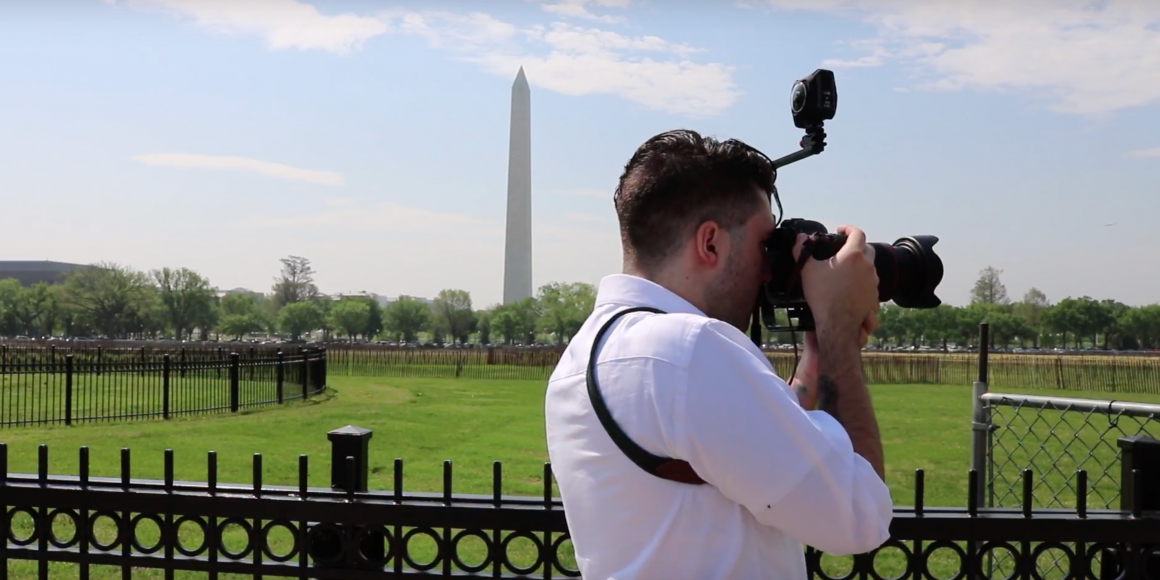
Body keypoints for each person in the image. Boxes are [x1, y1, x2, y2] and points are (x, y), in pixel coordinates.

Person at [543, 129, 892, 579]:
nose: (768, 270)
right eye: (763, 245)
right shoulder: (689, 349)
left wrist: (819, 339)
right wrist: (840, 330)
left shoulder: (589, 354)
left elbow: (752, 439)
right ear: (710, 243)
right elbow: (859, 517)